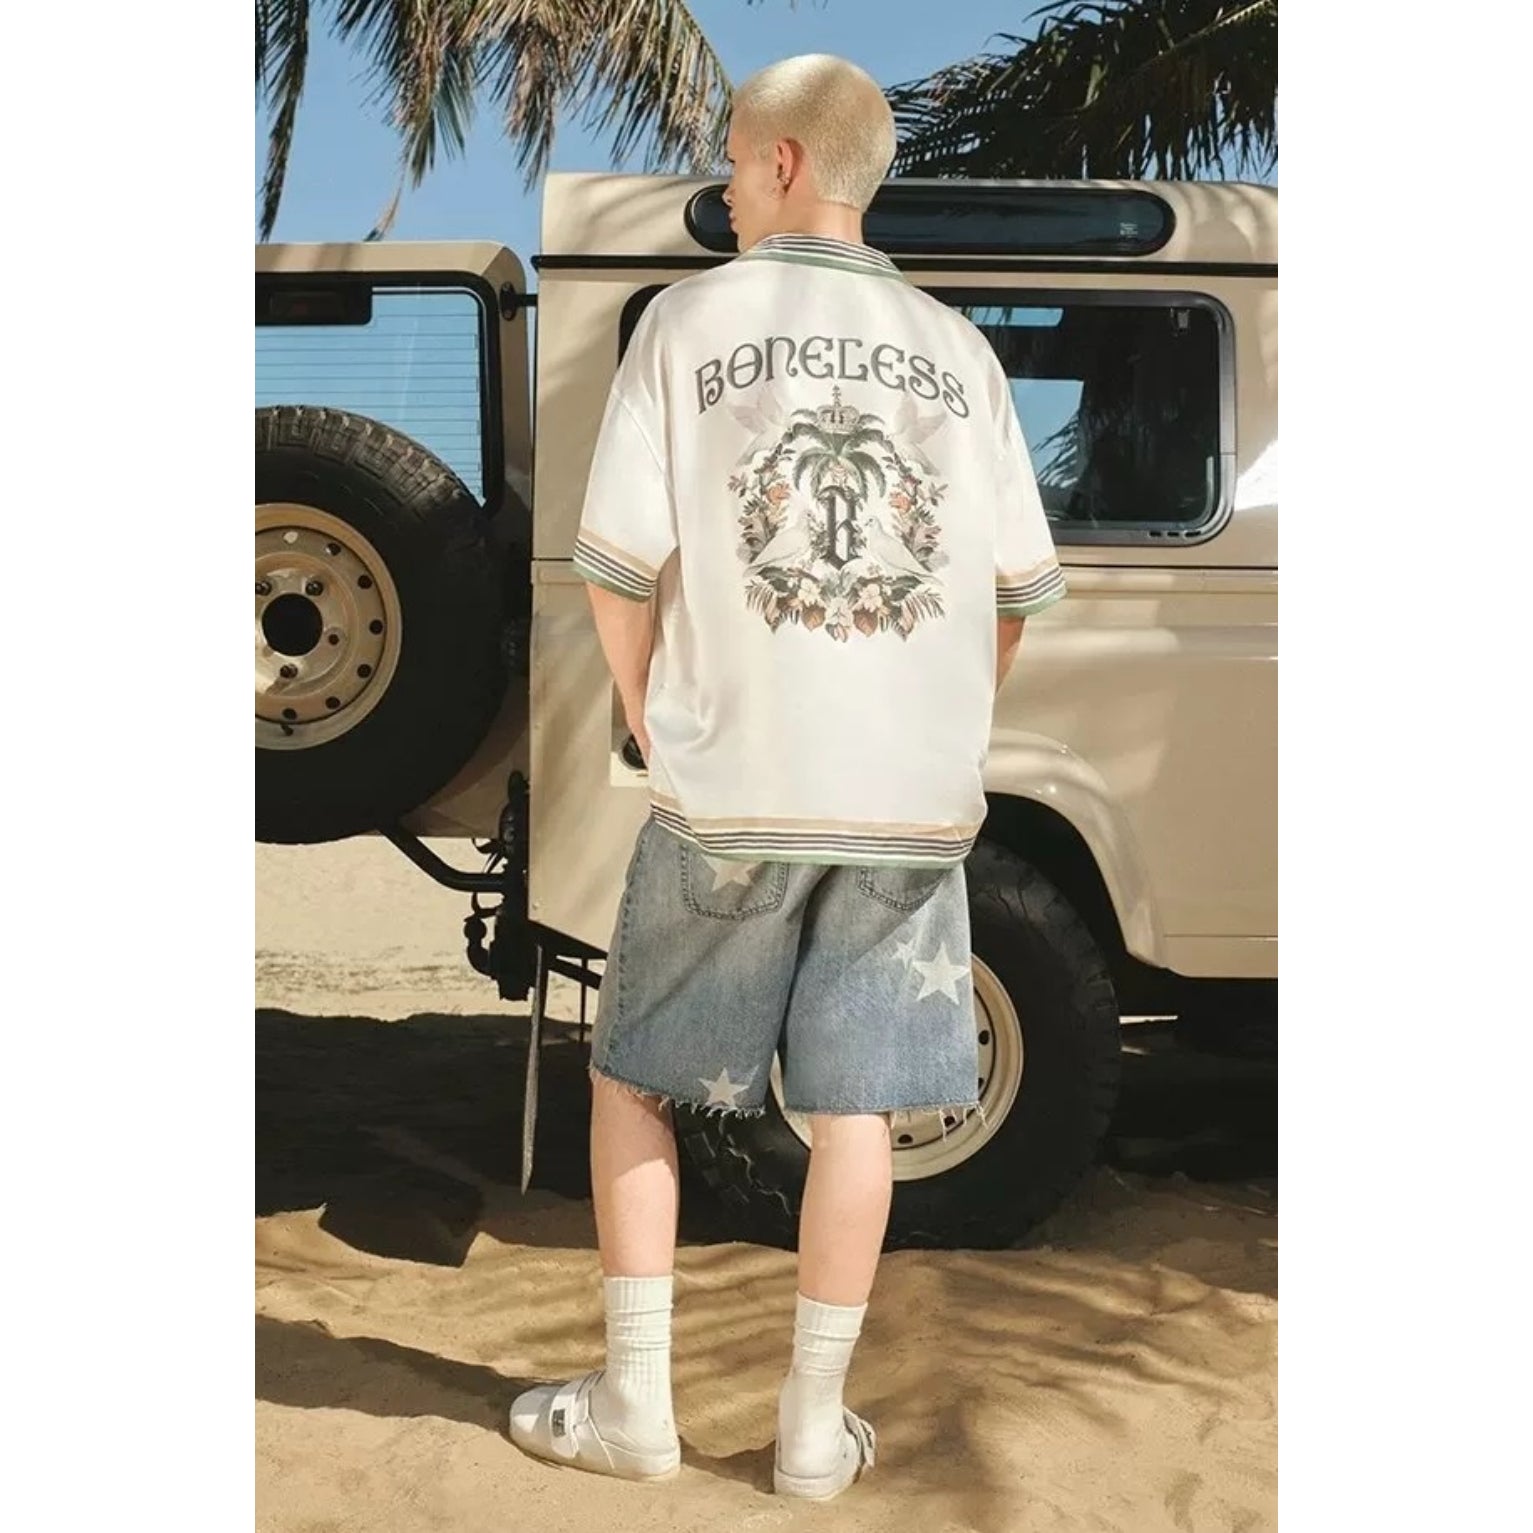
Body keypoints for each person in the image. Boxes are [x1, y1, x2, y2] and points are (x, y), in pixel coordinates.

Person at [509, 52, 1065, 1499]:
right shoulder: (959, 351)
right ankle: (814, 1431)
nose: (729, 191)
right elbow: (1013, 592)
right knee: (856, 1107)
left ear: (780, 163)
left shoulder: (691, 322)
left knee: (637, 1078)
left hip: (734, 784)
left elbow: (615, 566)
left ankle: (636, 1406)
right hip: (910, 801)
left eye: (733, 164)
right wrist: (935, 720)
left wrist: (653, 714)